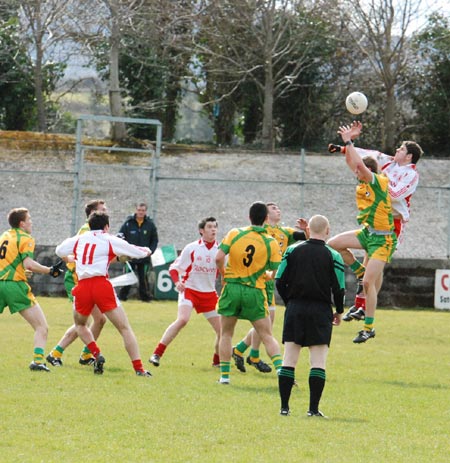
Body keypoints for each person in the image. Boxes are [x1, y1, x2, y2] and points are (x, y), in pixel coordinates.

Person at [329, 122, 423, 321]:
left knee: (373, 263)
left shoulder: (411, 175)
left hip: (392, 224)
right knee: (365, 261)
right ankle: (360, 305)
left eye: (401, 149)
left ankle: (363, 307)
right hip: (374, 219)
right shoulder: (389, 162)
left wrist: (376, 179)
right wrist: (345, 146)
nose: (396, 150)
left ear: (409, 156)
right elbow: (367, 156)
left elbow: (394, 193)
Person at [55, 211, 152, 377]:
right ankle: (139, 369)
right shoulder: (108, 238)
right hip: (101, 285)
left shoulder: (80, 238)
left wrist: (72, 257)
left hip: (83, 286)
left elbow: (59, 250)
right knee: (124, 328)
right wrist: (147, 250)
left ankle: (96, 353)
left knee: (80, 325)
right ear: (106, 226)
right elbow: (136, 252)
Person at [327, 124, 397, 343]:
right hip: (368, 233)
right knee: (333, 243)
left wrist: (348, 142)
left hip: (383, 239)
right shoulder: (361, 178)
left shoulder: (378, 181)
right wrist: (349, 145)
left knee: (369, 283)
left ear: (367, 172)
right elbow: (352, 162)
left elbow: (357, 163)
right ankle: (359, 271)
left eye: (359, 171)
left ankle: (369, 328)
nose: (355, 173)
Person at [275, 215, 345, 417]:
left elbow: (279, 280)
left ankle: (284, 407)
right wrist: (339, 311)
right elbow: (339, 289)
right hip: (320, 310)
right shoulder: (333, 256)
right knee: (318, 361)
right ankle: (313, 409)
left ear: (309, 230)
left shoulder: (292, 250)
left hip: (295, 308)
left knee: (289, 358)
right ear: (327, 230)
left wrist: (291, 301)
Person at [232, 202, 307, 374]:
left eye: (278, 208)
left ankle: (241, 351)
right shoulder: (259, 232)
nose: (278, 210)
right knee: (265, 323)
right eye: (273, 208)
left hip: (270, 282)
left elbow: (307, 238)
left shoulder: (285, 232)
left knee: (267, 323)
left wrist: (307, 229)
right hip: (257, 281)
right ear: (266, 215)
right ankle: (253, 355)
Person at [215, 201, 283, 384]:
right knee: (267, 335)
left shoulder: (235, 233)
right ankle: (282, 374)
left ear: (249, 217)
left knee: (226, 333)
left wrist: (223, 274)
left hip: (232, 288)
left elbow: (219, 257)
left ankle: (224, 377)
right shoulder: (271, 241)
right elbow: (276, 271)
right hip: (254, 291)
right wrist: (266, 276)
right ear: (266, 219)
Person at [149, 217, 221, 368]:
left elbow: (225, 272)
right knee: (182, 320)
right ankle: (157, 354)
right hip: (190, 290)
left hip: (209, 294)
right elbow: (174, 268)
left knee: (222, 330)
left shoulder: (220, 251)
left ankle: (217, 362)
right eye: (209, 227)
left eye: (215, 227)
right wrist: (177, 282)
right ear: (201, 230)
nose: (213, 230)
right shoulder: (192, 248)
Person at [0, 208, 64, 372]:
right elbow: (28, 264)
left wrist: (20, 270)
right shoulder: (26, 238)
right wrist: (50, 270)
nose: (31, 222)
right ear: (22, 224)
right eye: (29, 219)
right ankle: (37, 362)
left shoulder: (5, 236)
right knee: (41, 327)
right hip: (14, 286)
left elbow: (11, 262)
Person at [46, 199, 109, 366]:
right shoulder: (86, 230)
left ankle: (85, 355)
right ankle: (56, 353)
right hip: (77, 281)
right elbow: (63, 250)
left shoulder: (97, 231)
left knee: (99, 320)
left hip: (88, 282)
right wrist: (70, 259)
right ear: (92, 214)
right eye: (102, 209)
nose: (106, 212)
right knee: (84, 322)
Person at [118, 202, 158, 302]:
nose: (141, 212)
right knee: (128, 276)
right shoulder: (128, 223)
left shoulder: (150, 224)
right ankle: (122, 297)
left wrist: (150, 251)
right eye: (139, 210)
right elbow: (120, 236)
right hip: (130, 256)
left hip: (144, 257)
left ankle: (145, 298)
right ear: (136, 210)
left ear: (146, 211)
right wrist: (124, 251)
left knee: (143, 278)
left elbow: (154, 240)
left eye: (143, 210)